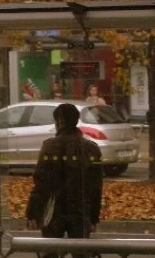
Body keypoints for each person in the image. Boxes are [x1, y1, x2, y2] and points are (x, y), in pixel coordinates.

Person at [26, 103, 103, 258]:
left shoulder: (49, 147)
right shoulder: (91, 148)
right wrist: (93, 217)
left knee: (51, 252)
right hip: (81, 211)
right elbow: (96, 187)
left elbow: (41, 184)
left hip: (54, 210)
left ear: (59, 122)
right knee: (81, 253)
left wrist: (33, 213)